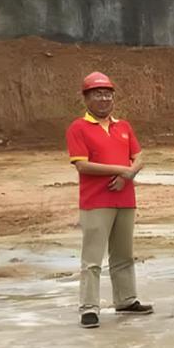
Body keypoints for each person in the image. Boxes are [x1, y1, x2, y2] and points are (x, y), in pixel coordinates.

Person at [65, 71, 153, 328]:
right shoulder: (78, 128)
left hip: (125, 199)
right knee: (92, 258)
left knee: (123, 254)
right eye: (98, 94)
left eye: (107, 94)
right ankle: (89, 308)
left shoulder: (123, 126)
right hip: (96, 201)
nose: (104, 99)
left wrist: (129, 174)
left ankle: (126, 299)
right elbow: (82, 165)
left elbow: (139, 157)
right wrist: (121, 170)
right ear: (86, 98)